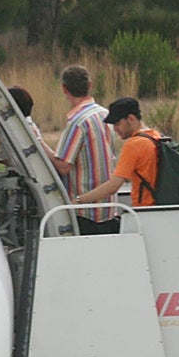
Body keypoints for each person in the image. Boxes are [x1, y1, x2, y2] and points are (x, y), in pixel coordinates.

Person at [51, 65, 119, 235]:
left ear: (64, 89)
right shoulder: (105, 114)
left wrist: (40, 145)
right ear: (90, 84)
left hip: (86, 211)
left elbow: (63, 166)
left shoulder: (77, 122)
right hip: (109, 207)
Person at [75, 97, 161, 209]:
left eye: (117, 123)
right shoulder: (155, 136)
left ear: (131, 118)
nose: (115, 129)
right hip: (159, 207)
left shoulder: (134, 144)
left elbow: (113, 186)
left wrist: (78, 200)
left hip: (144, 210)